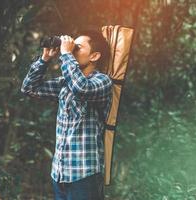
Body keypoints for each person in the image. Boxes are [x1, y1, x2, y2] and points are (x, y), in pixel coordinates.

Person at [21, 30, 113, 200]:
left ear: (94, 55)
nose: (71, 50)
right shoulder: (65, 83)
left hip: (84, 176)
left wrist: (65, 54)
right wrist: (45, 59)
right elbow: (29, 88)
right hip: (60, 174)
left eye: (77, 48)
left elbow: (82, 88)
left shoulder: (102, 82)